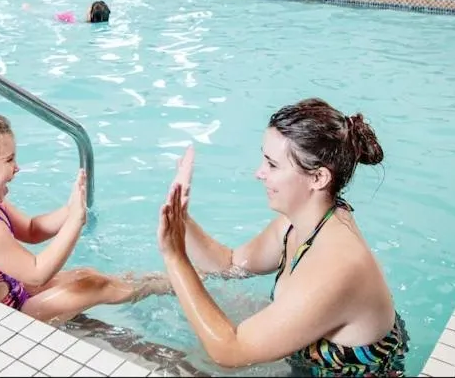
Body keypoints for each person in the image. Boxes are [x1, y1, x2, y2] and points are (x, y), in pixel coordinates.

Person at [155, 99, 408, 376]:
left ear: (318, 178)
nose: (259, 173)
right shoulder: (297, 224)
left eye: (272, 165)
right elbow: (230, 264)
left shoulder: (337, 267)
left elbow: (229, 351)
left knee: (173, 360)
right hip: (305, 362)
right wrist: (182, 218)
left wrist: (175, 256)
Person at [0, 111, 169, 323]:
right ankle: (164, 286)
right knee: (95, 287)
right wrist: (74, 222)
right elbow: (38, 273)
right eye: (9, 160)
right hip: (7, 316)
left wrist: (70, 208)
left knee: (86, 274)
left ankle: (153, 281)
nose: (17, 167)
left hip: (13, 290)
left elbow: (31, 230)